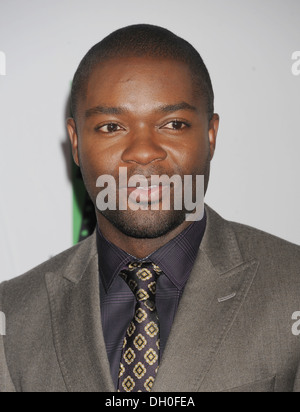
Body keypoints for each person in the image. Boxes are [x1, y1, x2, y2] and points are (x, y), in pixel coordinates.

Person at [1, 24, 300, 393]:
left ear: (210, 135)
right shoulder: (11, 317)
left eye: (173, 124)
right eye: (111, 126)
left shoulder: (293, 288)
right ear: (76, 142)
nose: (143, 151)